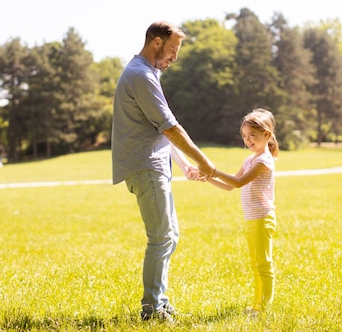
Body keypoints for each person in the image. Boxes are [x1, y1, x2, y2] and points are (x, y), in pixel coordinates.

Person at [111, 21, 216, 322]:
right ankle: (152, 310)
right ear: (156, 43)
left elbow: (158, 130)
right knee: (160, 238)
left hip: (153, 163)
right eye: (172, 50)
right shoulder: (140, 75)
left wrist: (184, 165)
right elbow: (170, 126)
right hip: (145, 166)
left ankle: (159, 301)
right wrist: (204, 161)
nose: (174, 58)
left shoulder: (148, 74)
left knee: (170, 236)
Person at [203, 108, 278, 318]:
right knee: (256, 264)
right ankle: (257, 305)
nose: (248, 140)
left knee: (264, 264)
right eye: (245, 136)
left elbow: (238, 182)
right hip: (252, 219)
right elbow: (230, 187)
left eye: (252, 135)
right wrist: (207, 176)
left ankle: (262, 308)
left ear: (267, 135)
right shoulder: (249, 159)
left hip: (263, 219)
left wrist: (214, 170)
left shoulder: (264, 161)